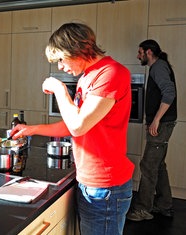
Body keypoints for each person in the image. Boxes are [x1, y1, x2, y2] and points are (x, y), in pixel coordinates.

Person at [10, 23, 134, 235]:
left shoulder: (111, 73)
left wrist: (60, 89)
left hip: (105, 187)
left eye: (60, 59)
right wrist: (32, 129)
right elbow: (72, 124)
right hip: (89, 182)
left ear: (76, 49)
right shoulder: (87, 77)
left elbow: (78, 126)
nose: (59, 66)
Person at [126, 40, 177, 221]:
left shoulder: (158, 67)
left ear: (148, 52)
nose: (138, 55)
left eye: (140, 52)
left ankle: (143, 209)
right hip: (162, 124)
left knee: (148, 166)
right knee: (158, 165)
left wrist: (156, 120)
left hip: (162, 125)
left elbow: (169, 93)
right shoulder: (158, 67)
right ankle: (164, 204)